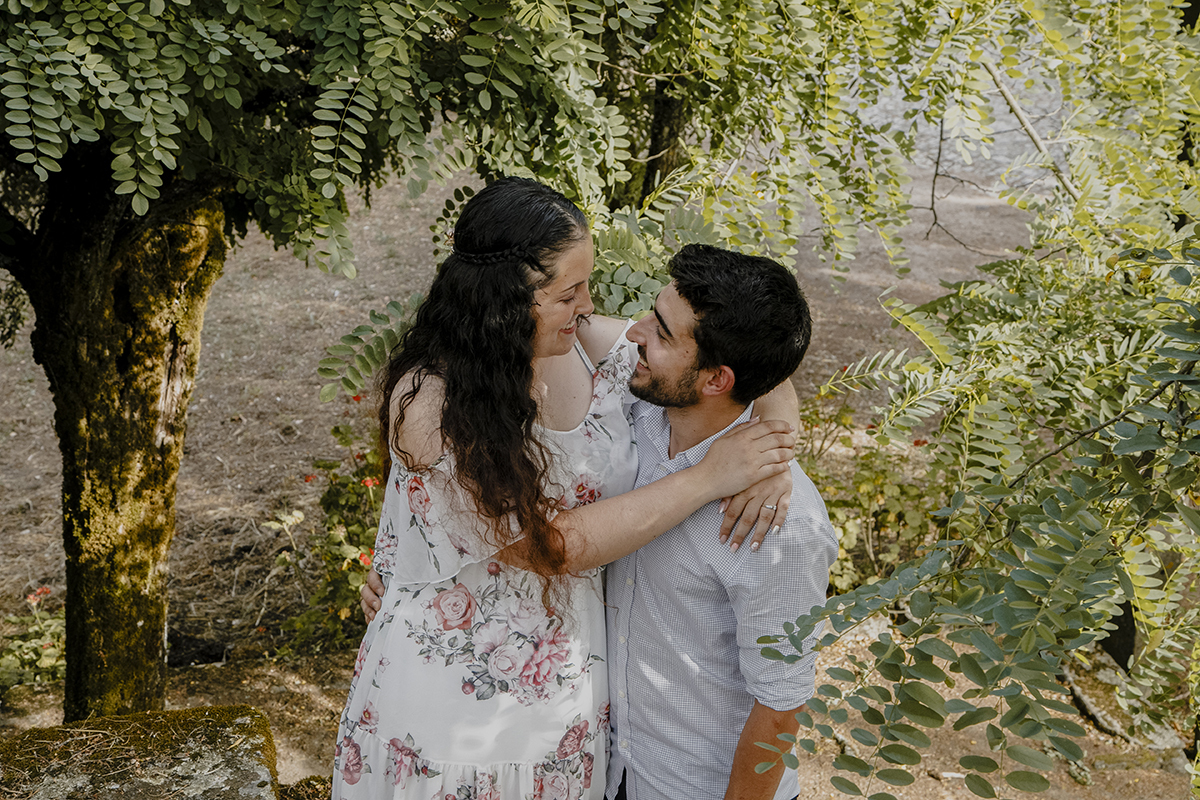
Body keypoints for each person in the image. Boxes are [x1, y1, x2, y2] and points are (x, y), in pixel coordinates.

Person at [334, 177, 800, 800]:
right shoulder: (430, 406)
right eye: (568, 293)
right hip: (458, 714)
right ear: (504, 302)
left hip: (572, 701)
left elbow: (740, 355)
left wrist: (776, 449)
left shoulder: (583, 348)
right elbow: (550, 548)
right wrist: (710, 477)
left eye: (588, 286)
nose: (588, 306)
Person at [604, 244, 838, 800]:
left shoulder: (779, 523)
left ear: (716, 380)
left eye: (661, 332)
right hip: (613, 770)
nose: (635, 334)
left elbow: (781, 706)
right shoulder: (633, 412)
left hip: (698, 788)